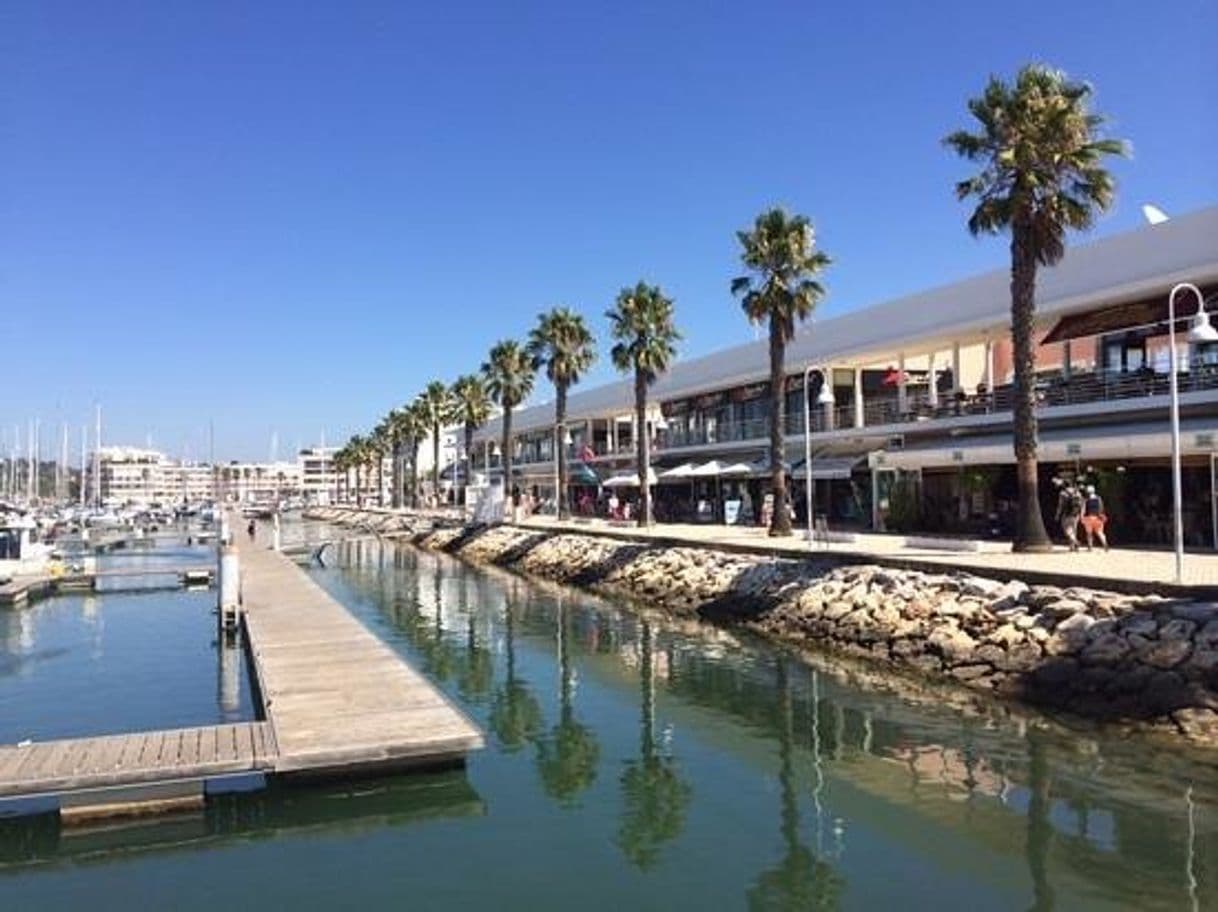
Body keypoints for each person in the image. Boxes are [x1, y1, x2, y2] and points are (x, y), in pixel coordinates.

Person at [1054, 481, 1083, 551]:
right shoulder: (1077, 492)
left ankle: (1075, 541)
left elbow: (1060, 505)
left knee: (1067, 530)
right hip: (1076, 514)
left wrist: (1057, 515)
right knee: (1074, 530)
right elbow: (1081, 504)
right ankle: (1072, 547)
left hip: (1066, 513)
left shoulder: (1063, 493)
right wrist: (1081, 514)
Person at [1080, 485, 1109, 551]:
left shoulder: (1086, 499)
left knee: (1089, 533)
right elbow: (1101, 507)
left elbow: (1083, 509)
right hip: (1098, 518)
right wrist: (1101, 515)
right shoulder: (1099, 498)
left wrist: (1081, 517)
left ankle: (1090, 547)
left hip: (1089, 518)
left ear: (1087, 491)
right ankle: (1105, 544)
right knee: (1100, 532)